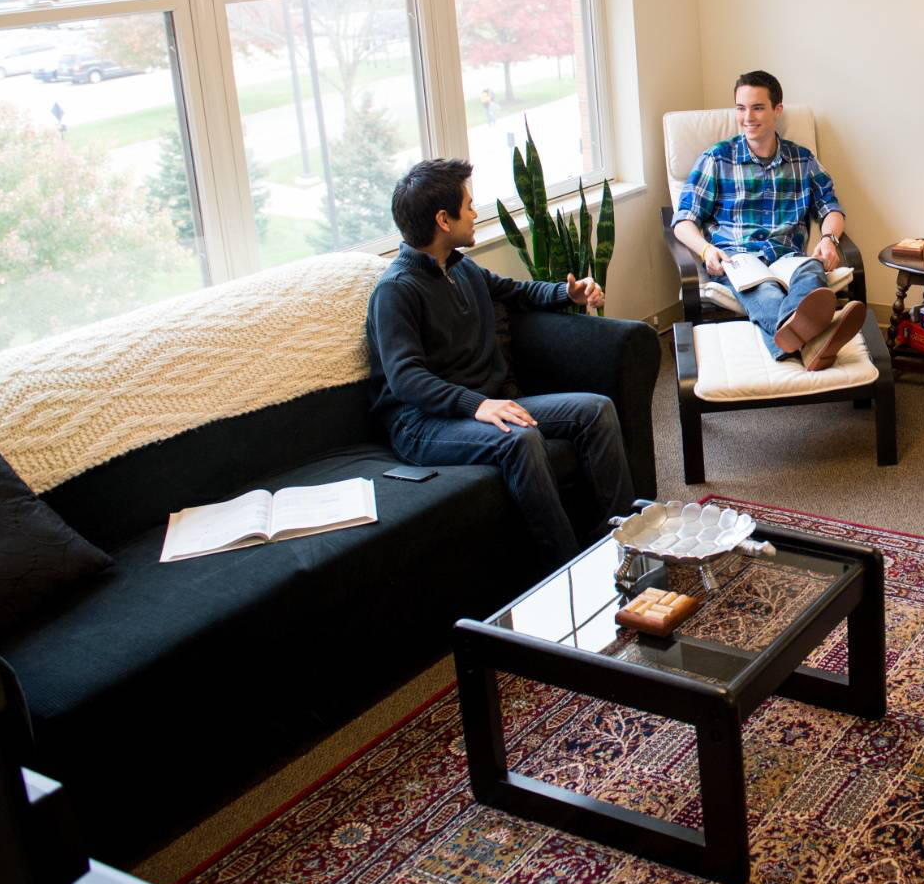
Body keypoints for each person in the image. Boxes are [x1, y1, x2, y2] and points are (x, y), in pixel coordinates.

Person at [366, 157, 633, 565]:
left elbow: (516, 292)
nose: (476, 214)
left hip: (485, 408)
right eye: (469, 206)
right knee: (519, 439)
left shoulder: (460, 267)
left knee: (596, 410)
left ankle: (623, 538)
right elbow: (406, 380)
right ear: (443, 219)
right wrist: (478, 405)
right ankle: (566, 565)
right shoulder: (396, 290)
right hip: (421, 424)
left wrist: (569, 295)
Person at [672, 70, 866, 370]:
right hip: (738, 259)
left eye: (757, 107)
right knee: (766, 293)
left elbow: (831, 209)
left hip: (788, 256)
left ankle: (798, 343)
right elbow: (683, 220)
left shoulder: (802, 160)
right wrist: (706, 250)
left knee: (812, 275)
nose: (747, 117)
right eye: (740, 108)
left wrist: (829, 240)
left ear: (777, 110)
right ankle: (817, 339)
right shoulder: (717, 159)